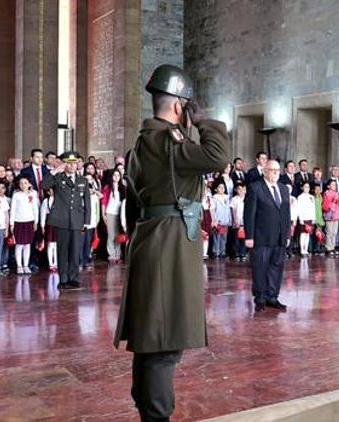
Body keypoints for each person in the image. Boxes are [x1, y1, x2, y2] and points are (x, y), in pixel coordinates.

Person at [113, 64, 230, 422]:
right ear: (180, 107)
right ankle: (156, 415)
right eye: (189, 107)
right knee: (164, 340)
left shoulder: (141, 144)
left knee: (152, 336)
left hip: (152, 239)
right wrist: (207, 121)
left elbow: (133, 205)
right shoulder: (168, 142)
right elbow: (217, 157)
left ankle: (147, 407)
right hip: (170, 244)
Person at [244, 159, 291, 312]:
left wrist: (287, 234)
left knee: (276, 267)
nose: (276, 173)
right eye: (272, 170)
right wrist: (249, 236)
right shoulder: (255, 187)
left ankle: (273, 297)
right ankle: (260, 298)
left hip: (279, 237)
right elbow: (249, 214)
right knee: (260, 267)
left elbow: (286, 213)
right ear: (264, 171)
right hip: (261, 236)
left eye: (278, 170)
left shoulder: (284, 189)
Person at [41, 151, 91, 289]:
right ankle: (63, 279)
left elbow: (87, 202)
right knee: (62, 251)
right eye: (69, 163)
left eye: (74, 163)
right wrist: (55, 170)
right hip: (61, 219)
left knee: (75, 251)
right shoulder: (58, 177)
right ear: (64, 164)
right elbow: (43, 185)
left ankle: (73, 278)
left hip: (76, 220)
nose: (72, 166)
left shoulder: (83, 180)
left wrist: (87, 220)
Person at [9, 176, 40, 275]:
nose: (23, 185)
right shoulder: (16, 195)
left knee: (27, 244)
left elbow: (35, 209)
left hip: (30, 221)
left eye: (25, 183)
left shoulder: (33, 194)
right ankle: (19, 265)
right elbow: (13, 209)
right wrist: (11, 223)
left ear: (29, 184)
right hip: (18, 222)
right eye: (21, 183)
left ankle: (26, 265)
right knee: (19, 244)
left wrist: (36, 221)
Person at [102, 169, 126, 264]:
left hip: (120, 214)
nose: (116, 177)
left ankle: (117, 254)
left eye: (118, 175)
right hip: (110, 213)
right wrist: (103, 214)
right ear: (111, 176)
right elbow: (103, 202)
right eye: (114, 175)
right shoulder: (107, 187)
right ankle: (111, 255)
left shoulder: (122, 187)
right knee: (111, 234)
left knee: (118, 235)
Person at [82, 173, 102, 269]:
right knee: (81, 241)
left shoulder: (94, 195)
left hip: (92, 221)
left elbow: (101, 196)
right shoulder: (80, 193)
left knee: (88, 241)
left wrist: (93, 190)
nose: (88, 181)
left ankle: (86, 259)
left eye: (90, 179)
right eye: (86, 179)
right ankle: (80, 260)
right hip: (82, 222)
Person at [322, 179, 339, 258]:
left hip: (336, 216)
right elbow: (325, 205)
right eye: (333, 185)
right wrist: (334, 200)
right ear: (328, 186)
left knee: (334, 232)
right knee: (329, 232)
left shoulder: (337, 193)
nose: (334, 186)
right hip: (329, 215)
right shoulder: (326, 193)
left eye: (335, 185)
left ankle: (333, 247)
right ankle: (328, 248)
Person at [211, 181, 231, 258]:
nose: (222, 189)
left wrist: (230, 219)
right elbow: (213, 209)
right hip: (218, 220)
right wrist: (214, 220)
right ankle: (216, 252)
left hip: (225, 219)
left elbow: (228, 209)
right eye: (220, 187)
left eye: (223, 187)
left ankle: (223, 251)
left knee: (224, 237)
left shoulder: (227, 197)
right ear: (216, 189)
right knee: (217, 237)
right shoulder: (214, 198)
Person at [295, 181, 315, 257]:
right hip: (303, 218)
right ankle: (302, 250)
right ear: (302, 188)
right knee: (303, 234)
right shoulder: (300, 197)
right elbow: (299, 209)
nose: (307, 188)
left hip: (310, 218)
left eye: (308, 187)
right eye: (305, 187)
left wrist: (313, 218)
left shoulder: (311, 197)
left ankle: (306, 249)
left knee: (308, 235)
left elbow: (313, 208)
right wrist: (300, 218)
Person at [40, 189, 58, 271]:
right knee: (50, 244)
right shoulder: (46, 201)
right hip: (49, 224)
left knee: (57, 245)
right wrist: (42, 226)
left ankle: (56, 263)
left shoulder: (60, 200)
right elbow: (43, 214)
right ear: (48, 192)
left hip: (59, 224)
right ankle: (51, 264)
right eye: (51, 190)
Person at [230, 183, 247, 261]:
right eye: (239, 189)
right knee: (236, 239)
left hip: (245, 222)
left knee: (244, 239)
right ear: (236, 190)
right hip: (237, 221)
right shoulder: (234, 199)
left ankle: (243, 254)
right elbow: (233, 210)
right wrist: (234, 219)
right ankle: (236, 254)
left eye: (243, 189)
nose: (241, 191)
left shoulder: (248, 198)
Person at [311, 183, 326, 255]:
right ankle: (315, 249)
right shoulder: (312, 198)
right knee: (314, 235)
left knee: (319, 235)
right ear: (313, 190)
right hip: (314, 219)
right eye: (316, 189)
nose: (318, 191)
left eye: (319, 189)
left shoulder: (321, 197)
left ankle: (319, 248)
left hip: (320, 219)